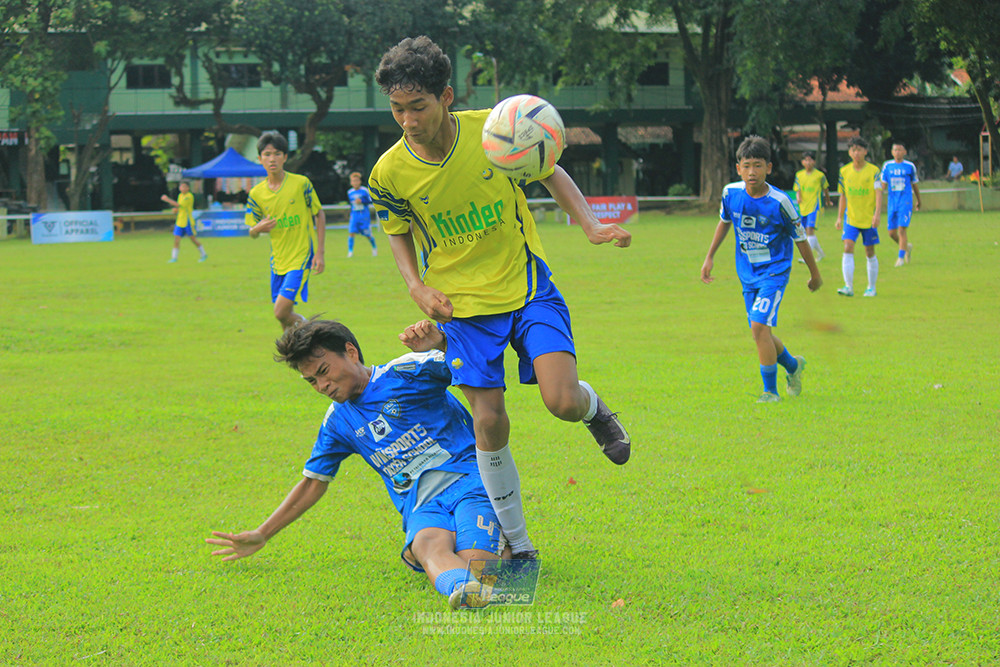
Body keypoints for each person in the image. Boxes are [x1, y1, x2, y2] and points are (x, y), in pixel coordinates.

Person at [367, 35, 632, 560]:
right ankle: (519, 542)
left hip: (527, 287)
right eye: (397, 109)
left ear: (445, 97)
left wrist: (590, 224)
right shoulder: (389, 172)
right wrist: (416, 286)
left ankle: (594, 410)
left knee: (561, 401)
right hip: (462, 308)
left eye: (418, 106)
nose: (408, 120)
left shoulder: (497, 130)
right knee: (488, 420)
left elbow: (550, 169)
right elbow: (396, 230)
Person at [206, 318, 510, 610]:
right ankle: (463, 589)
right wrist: (263, 533)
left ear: (351, 352)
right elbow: (313, 482)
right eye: (311, 381)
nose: (321, 385)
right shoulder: (338, 421)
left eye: (324, 371)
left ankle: (496, 556)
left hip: (469, 483)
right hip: (421, 506)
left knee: (477, 563)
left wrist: (442, 343)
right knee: (427, 545)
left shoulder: (407, 372)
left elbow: (472, 360)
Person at [700, 136, 822, 403]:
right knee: (761, 331)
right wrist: (709, 257)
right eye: (746, 166)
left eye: (757, 165)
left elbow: (800, 238)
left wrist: (815, 274)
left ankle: (770, 392)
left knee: (758, 327)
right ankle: (793, 366)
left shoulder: (780, 201)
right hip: (747, 274)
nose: (752, 172)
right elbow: (724, 222)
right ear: (738, 168)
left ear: (769, 167)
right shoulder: (730, 194)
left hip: (774, 272)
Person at [245, 132, 327, 330]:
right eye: (267, 154)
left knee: (280, 311)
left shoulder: (301, 184)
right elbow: (251, 232)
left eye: (277, 154)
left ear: (285, 157)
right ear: (260, 159)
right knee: (284, 318)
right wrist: (258, 228)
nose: (272, 159)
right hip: (277, 261)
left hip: (300, 257)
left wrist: (320, 252)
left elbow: (319, 214)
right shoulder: (256, 194)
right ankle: (296, 347)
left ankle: (311, 328)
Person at [835, 137, 883, 298]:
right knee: (847, 247)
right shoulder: (844, 171)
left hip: (868, 218)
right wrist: (839, 217)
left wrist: (877, 214)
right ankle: (848, 286)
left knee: (869, 251)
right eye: (853, 150)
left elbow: (878, 193)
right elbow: (843, 196)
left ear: (865, 151)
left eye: (859, 150)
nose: (856, 153)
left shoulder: (874, 171)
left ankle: (871, 287)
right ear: (849, 152)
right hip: (851, 218)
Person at [880, 142, 921, 267]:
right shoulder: (887, 166)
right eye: (895, 150)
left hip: (905, 202)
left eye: (900, 150)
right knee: (891, 233)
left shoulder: (909, 166)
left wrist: (919, 200)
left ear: (905, 152)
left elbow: (914, 184)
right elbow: (883, 185)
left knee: (902, 229)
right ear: (892, 152)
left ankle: (901, 258)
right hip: (892, 203)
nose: (897, 152)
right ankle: (906, 247)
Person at [792, 151, 831, 262]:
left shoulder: (820, 175)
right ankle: (821, 253)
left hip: (815, 207)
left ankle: (807, 258)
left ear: (814, 161)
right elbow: (797, 189)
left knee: (810, 230)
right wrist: (798, 197)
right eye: (806, 160)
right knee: (806, 232)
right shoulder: (799, 175)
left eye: (810, 160)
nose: (808, 162)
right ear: (802, 162)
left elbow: (825, 189)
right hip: (803, 207)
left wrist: (828, 201)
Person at [161, 181, 207, 263]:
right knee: (176, 239)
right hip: (180, 221)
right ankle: (174, 258)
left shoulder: (189, 196)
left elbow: (179, 205)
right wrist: (176, 210)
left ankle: (203, 254)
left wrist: (167, 199)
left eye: (183, 187)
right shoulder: (180, 195)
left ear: (188, 188)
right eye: (181, 187)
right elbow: (180, 207)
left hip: (187, 221)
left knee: (193, 239)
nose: (181, 188)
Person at [346, 171, 378, 258]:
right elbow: (351, 204)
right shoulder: (350, 192)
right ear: (351, 182)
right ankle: (350, 252)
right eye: (353, 181)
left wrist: (362, 201)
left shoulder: (364, 190)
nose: (355, 183)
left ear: (360, 181)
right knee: (351, 232)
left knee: (368, 234)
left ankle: (374, 247)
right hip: (354, 215)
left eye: (357, 181)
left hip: (364, 215)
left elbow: (370, 200)